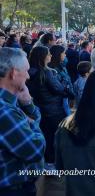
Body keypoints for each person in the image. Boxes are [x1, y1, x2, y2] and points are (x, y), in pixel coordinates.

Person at [0, 48, 45, 196]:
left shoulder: (10, 102)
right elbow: (35, 149)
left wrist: (28, 105)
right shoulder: (5, 111)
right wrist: (33, 123)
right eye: (25, 71)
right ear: (13, 73)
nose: (28, 76)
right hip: (13, 190)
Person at [26, 46, 67, 166]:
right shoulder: (46, 72)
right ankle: (51, 162)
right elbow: (58, 89)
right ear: (42, 57)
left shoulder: (29, 71)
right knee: (53, 137)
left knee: (45, 135)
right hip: (53, 110)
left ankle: (48, 162)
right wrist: (64, 83)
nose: (50, 56)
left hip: (39, 109)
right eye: (48, 54)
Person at [48, 45, 76, 116]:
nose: (65, 55)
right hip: (60, 100)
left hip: (66, 97)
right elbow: (58, 87)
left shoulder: (62, 66)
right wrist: (69, 94)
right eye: (63, 53)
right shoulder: (53, 70)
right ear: (58, 54)